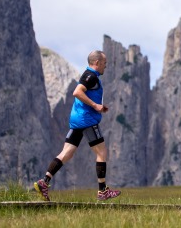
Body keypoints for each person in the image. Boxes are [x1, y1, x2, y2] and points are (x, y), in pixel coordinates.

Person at [34, 50, 121, 202]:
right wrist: (95, 105)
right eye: (104, 64)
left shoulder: (89, 76)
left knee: (67, 152)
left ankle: (44, 182)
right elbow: (77, 92)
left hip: (77, 119)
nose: (105, 67)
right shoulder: (91, 76)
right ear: (97, 63)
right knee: (102, 152)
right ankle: (102, 191)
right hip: (87, 120)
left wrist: (98, 106)